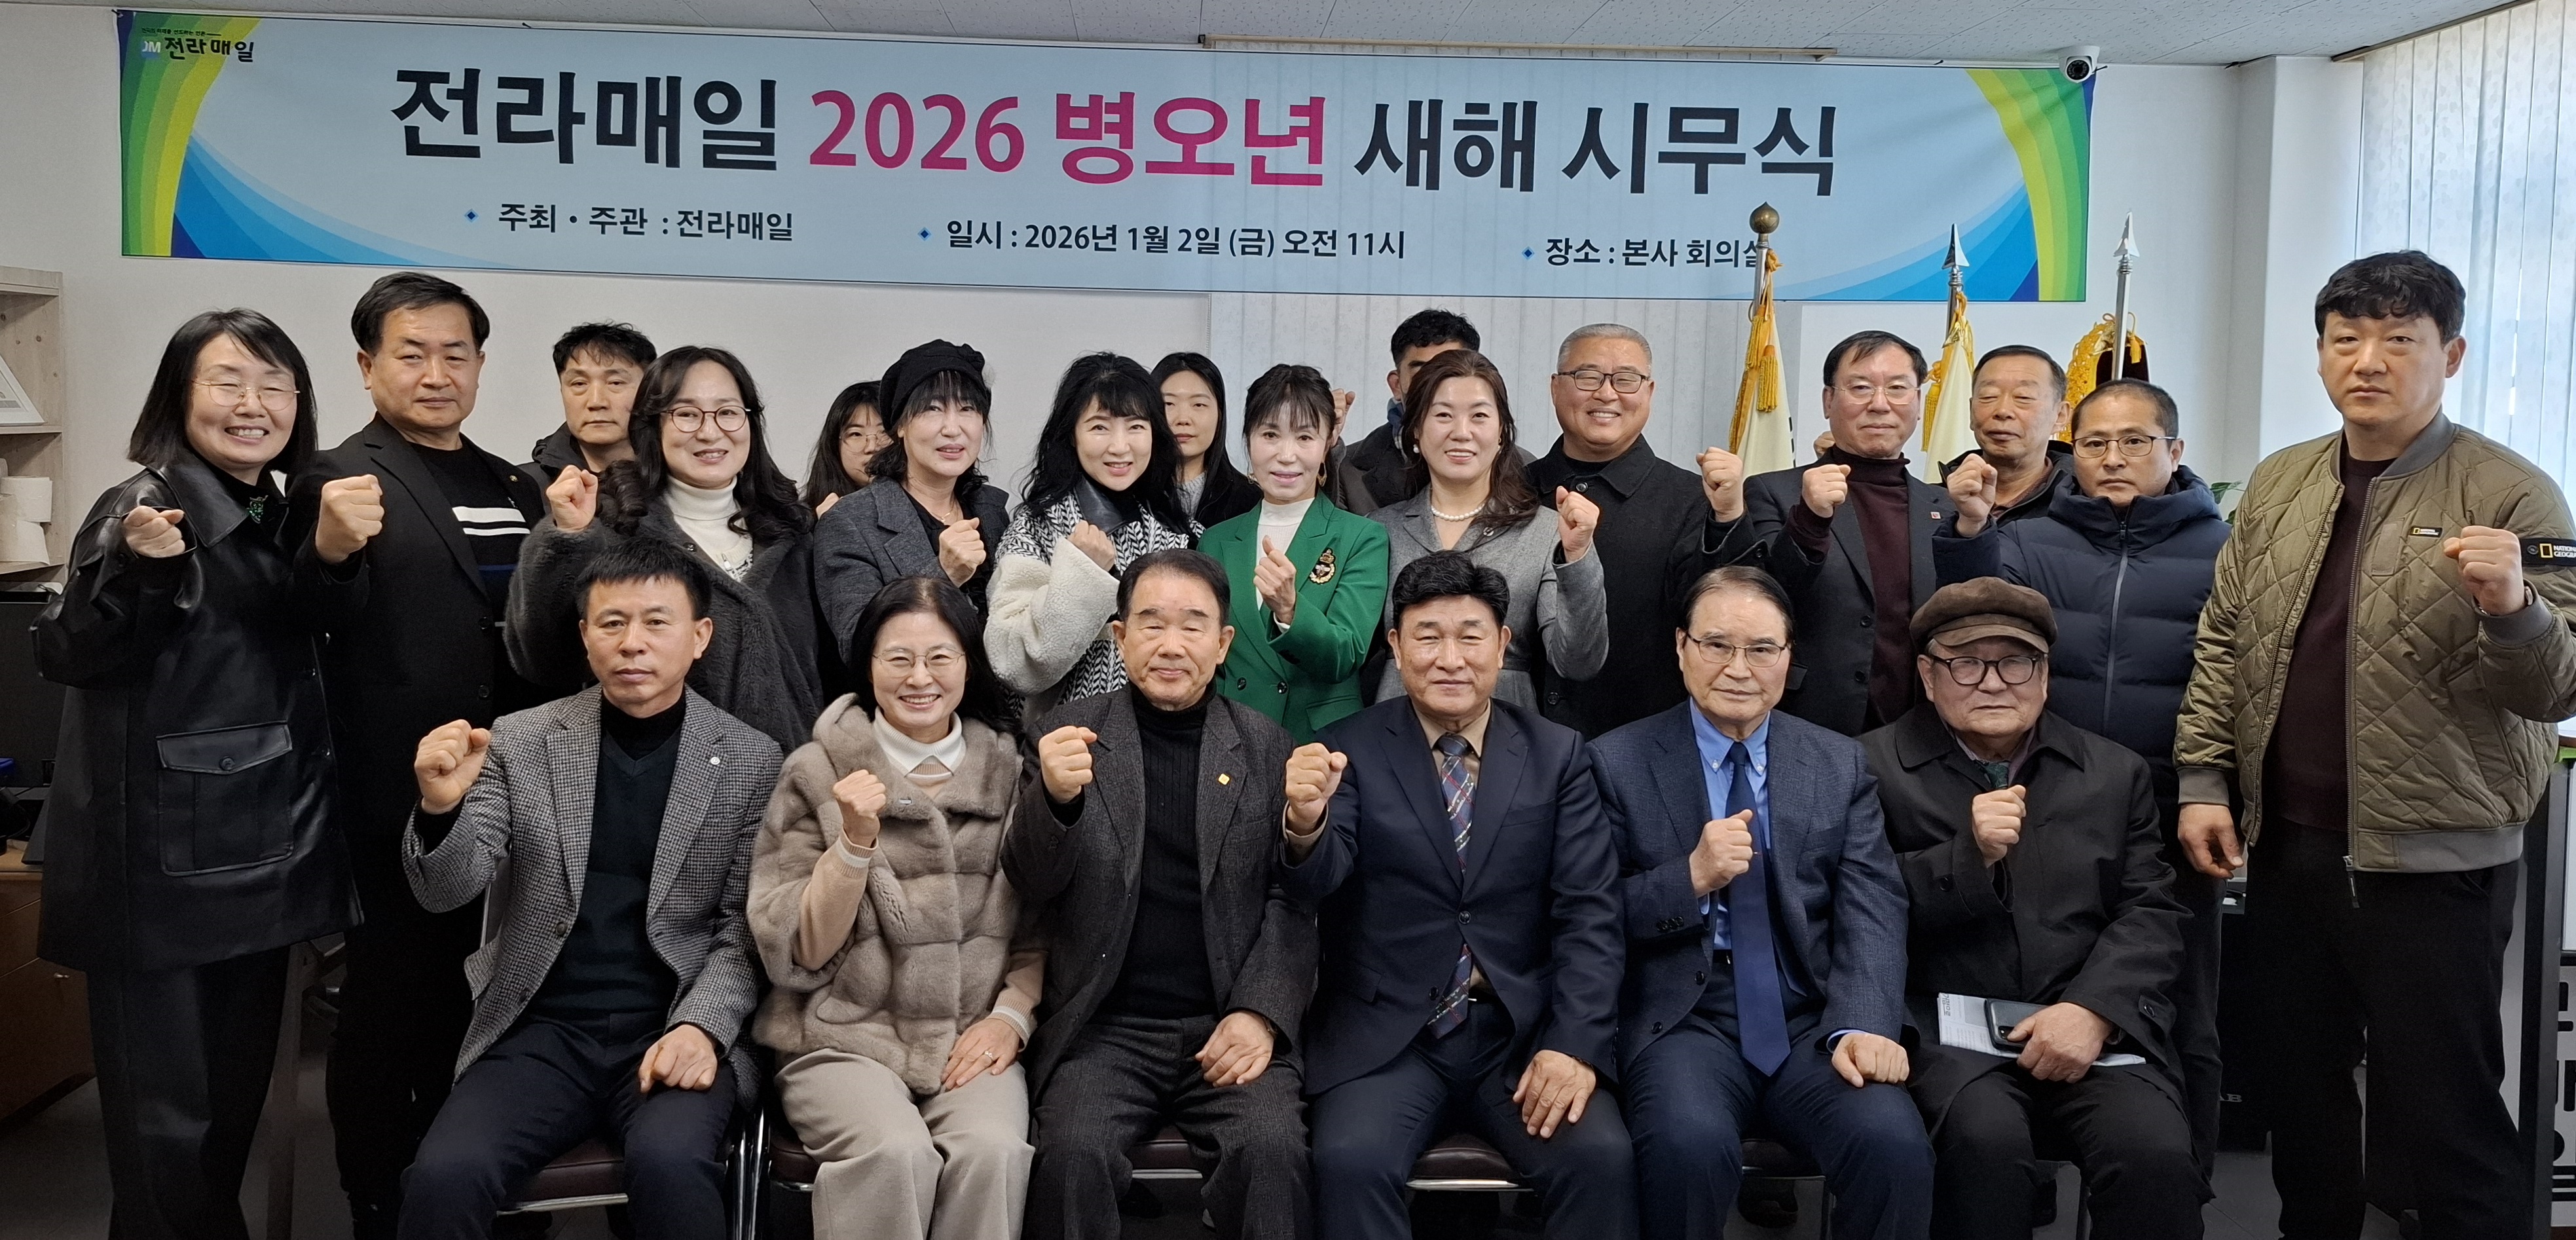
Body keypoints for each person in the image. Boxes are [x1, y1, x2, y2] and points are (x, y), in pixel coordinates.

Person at [2175, 251, 2576, 1239]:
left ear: (2451, 355)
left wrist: (2513, 606)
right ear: (2319, 354)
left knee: (2445, 1119)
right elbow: (2225, 639)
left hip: (2435, 862)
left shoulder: (2512, 494)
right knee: (2301, 1099)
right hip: (2289, 847)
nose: (2368, 360)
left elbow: (2554, 687)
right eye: (2345, 338)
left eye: (2399, 339)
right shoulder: (2282, 480)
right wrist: (2203, 780)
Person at [35, 309, 353, 1240]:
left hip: (252, 858)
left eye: (274, 385)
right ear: (180, 395)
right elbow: (65, 650)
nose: (253, 405)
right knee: (165, 1134)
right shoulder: (142, 506)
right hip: (163, 875)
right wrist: (139, 569)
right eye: (227, 382)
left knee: (223, 1124)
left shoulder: (271, 507)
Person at [397, 539, 776, 1240]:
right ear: (584, 635)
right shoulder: (521, 741)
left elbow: (743, 929)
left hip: (672, 1022)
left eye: (656, 622)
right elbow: (446, 892)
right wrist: (440, 808)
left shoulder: (752, 759)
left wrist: (701, 1027)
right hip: (541, 1029)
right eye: (612, 622)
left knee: (672, 1165)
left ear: (700, 637)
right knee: (445, 1175)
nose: (632, 643)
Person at [288, 271, 548, 1238]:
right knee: (393, 1004)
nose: (437, 373)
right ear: (367, 366)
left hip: (516, 786)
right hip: (397, 795)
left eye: (456, 354)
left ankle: (480, 1189)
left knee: (497, 994)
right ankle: (379, 1198)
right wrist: (328, 551)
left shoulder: (516, 484)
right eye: (412, 353)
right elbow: (302, 620)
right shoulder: (332, 477)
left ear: (479, 364)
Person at [1284, 551, 1634, 1240]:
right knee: (1349, 1161)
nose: (1450, 658)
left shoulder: (1558, 754)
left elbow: (1591, 913)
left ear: (1502, 644)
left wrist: (1573, 1044)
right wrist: (1304, 822)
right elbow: (1316, 883)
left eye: (1470, 637)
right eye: (1428, 636)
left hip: (1519, 1034)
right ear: (1395, 646)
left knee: (1600, 1159)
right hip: (1389, 1038)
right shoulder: (1347, 748)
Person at [1936, 377, 2230, 1165]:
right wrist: (1971, 529)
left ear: (2175, 450)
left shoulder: (2224, 549)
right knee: (2031, 988)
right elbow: (1971, 611)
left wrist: (2217, 789)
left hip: (2176, 809)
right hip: (2047, 800)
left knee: (2182, 1006)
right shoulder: (2034, 539)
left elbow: (2241, 679)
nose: (2113, 458)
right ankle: (2018, 1174)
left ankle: (2182, 1182)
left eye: (2135, 441)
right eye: (2095, 443)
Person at [1594, 566, 1931, 1240]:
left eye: (1761, 649)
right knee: (1687, 1148)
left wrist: (1865, 1024)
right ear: (1681, 647)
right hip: (1685, 1018)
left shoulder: (1836, 763)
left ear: (1788, 656)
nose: (1738, 668)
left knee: (1893, 1145)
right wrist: (1688, 877)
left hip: (1810, 1017)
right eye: (1717, 645)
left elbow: (1872, 905)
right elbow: (1590, 915)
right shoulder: (1616, 761)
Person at [1866, 578, 2198, 1239]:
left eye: (2015, 662)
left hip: (2088, 1025)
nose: (1993, 683)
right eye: (1966, 663)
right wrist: (1967, 858)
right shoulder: (1872, 767)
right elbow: (1858, 907)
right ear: (1928, 676)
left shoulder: (2114, 773)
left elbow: (2151, 912)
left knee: (2154, 1153)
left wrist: (2093, 1011)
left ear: (2044, 675)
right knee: (1984, 1147)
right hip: (1945, 1034)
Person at [1003, 550, 1316, 1240]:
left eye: (1192, 625)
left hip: (1227, 1021)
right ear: (1120, 637)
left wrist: (1259, 1013)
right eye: (1151, 624)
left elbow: (1291, 900)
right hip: (1104, 1028)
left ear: (1223, 642)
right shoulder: (1065, 735)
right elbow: (1030, 885)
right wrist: (1053, 800)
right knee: (1071, 1156)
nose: (1171, 645)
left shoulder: (1266, 746)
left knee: (1271, 1152)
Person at [750, 575, 1042, 1240]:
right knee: (893, 1153)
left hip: (968, 1035)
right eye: (898, 658)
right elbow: (795, 951)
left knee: (994, 1151)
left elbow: (1040, 927)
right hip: (838, 1038)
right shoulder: (816, 770)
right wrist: (852, 845)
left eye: (940, 657)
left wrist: (1011, 1018)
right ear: (868, 666)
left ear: (969, 664)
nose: (920, 678)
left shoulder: (1008, 771)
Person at [509, 345, 822, 753]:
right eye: (687, 414)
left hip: (794, 775)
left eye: (728, 412)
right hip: (658, 770)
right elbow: (543, 660)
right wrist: (566, 537)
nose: (710, 432)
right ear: (652, 426)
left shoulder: (792, 531)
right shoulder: (612, 527)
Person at [1702, 330, 1966, 736]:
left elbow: (1969, 607)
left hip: (1919, 730)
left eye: (1898, 388)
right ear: (1829, 401)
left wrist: (1977, 527)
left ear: (1918, 402)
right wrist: (1809, 520)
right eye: (1860, 388)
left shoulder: (1944, 505)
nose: (1880, 404)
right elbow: (1759, 599)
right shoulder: (1775, 491)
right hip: (1808, 722)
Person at [1371, 348, 1606, 709]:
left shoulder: (1545, 531)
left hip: (1504, 727)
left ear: (1501, 434)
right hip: (1395, 726)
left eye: (1479, 416)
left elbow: (1577, 662)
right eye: (1443, 415)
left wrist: (1577, 557)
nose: (1461, 432)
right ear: (1416, 430)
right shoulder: (1379, 529)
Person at [1527, 323, 1720, 735]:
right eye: (1587, 376)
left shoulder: (1692, 500)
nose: (1607, 393)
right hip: (1515, 741)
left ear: (1649, 392)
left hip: (1644, 740)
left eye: (1626, 380)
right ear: (1555, 388)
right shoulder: (1513, 491)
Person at [987, 352, 1196, 715]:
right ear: (1072, 434)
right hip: (1069, 739)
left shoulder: (1182, 532)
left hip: (1166, 737)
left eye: (1136, 427)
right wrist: (1082, 574)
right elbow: (1013, 664)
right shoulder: (1035, 528)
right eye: (1100, 427)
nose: (1120, 446)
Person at [1198, 364, 1391, 743]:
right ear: (1248, 438)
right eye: (1270, 435)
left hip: (1320, 743)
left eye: (1305, 437)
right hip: (1233, 737)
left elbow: (1346, 654)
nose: (1287, 455)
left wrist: (1290, 610)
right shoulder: (1216, 540)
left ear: (1329, 441)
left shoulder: (1362, 537)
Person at [814, 342, 1014, 647]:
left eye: (967, 409)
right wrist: (943, 576)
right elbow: (857, 643)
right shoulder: (848, 522)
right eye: (933, 408)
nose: (952, 428)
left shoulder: (992, 509)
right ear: (900, 426)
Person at [1346, 309, 1480, 508]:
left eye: (1450, 372)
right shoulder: (1344, 471)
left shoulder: (1521, 469)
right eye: (1422, 373)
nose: (1436, 385)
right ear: (1397, 385)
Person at [1939, 345, 2072, 528]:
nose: (2002, 411)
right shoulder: (1931, 500)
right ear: (1971, 412)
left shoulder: (2084, 501)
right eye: (1989, 396)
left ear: (2060, 416)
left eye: (2024, 397)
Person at [527, 322, 657, 479]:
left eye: (615, 383)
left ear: (648, 389)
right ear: (562, 391)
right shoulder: (522, 486)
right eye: (579, 384)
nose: (596, 402)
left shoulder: (678, 484)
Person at [1157, 352, 1260, 529]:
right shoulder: (1130, 495)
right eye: (1168, 404)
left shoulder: (1249, 501)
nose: (1183, 419)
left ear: (1220, 415)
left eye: (1198, 405)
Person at [802, 380, 891, 514]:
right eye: (856, 434)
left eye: (884, 432)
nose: (872, 447)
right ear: (835, 445)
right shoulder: (802, 519)